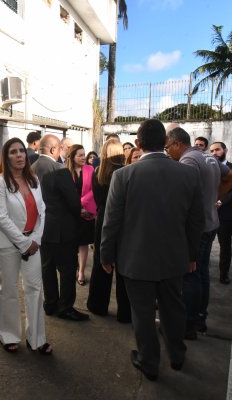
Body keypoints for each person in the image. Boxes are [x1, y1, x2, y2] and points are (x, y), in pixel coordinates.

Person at [101, 119, 204, 381]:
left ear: (138, 143)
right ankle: (177, 356)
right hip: (175, 258)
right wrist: (193, 256)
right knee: (173, 308)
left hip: (135, 259)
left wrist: (106, 255)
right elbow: (196, 222)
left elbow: (111, 221)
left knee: (143, 313)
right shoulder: (188, 174)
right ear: (167, 143)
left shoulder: (123, 175)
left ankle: (149, 362)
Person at [0, 137, 52, 355]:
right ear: (6, 157)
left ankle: (37, 338)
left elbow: (42, 211)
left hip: (33, 243)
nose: (19, 155)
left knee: (35, 289)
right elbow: (1, 218)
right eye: (13, 152)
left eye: (21, 151)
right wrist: (24, 243)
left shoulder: (33, 179)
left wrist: (36, 239)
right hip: (7, 245)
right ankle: (7, 335)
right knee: (8, 290)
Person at [166, 127, 230, 338]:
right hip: (211, 222)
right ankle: (200, 317)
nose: (167, 152)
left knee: (190, 273)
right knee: (201, 272)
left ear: (177, 144)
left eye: (168, 148)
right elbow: (229, 176)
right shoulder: (208, 157)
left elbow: (182, 198)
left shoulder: (188, 161)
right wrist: (214, 200)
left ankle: (189, 323)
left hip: (197, 227)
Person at [32, 135, 89, 321]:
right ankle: (65, 307)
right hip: (63, 230)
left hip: (41, 229)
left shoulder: (30, 169)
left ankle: (50, 304)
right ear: (53, 150)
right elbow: (73, 202)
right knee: (67, 269)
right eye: (62, 149)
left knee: (47, 268)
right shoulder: (60, 169)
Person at [87, 139, 131, 323]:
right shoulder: (126, 173)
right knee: (124, 267)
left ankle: (98, 305)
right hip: (124, 222)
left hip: (103, 219)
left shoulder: (97, 173)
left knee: (100, 263)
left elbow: (98, 200)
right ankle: (125, 312)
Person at [67, 144, 96, 286]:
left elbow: (93, 190)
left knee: (83, 244)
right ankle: (72, 270)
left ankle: (81, 272)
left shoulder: (91, 169)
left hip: (86, 212)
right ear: (72, 157)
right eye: (80, 155)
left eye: (84, 154)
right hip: (70, 214)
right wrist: (75, 206)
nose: (84, 157)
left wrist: (81, 203)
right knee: (71, 245)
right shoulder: (65, 172)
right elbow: (65, 192)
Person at [210, 141, 232, 284]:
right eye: (211, 151)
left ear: (225, 150)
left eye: (217, 150)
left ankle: (224, 274)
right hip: (211, 214)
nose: (214, 153)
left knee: (225, 247)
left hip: (226, 215)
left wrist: (221, 202)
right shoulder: (209, 168)